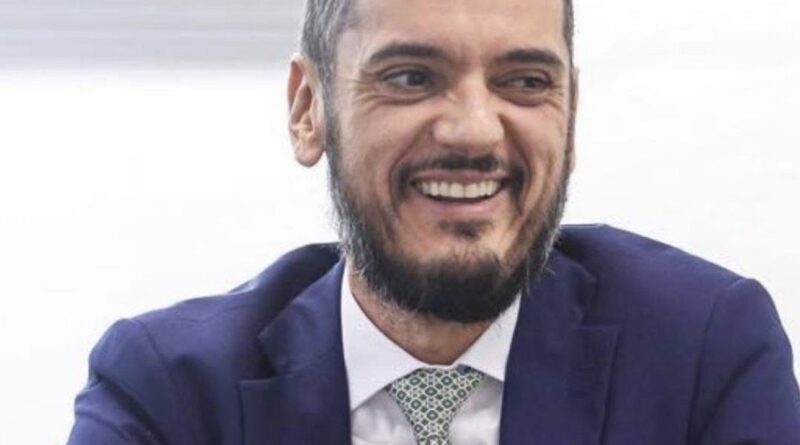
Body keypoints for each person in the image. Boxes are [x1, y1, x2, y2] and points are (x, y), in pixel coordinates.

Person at [67, 0, 800, 443]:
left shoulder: (705, 354)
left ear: (571, 116)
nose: (475, 130)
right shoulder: (169, 394)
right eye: (411, 77)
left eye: (525, 81)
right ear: (308, 109)